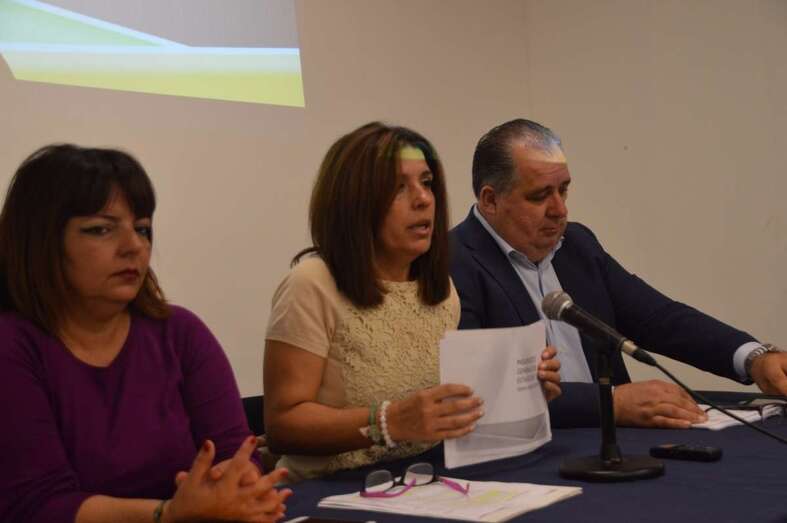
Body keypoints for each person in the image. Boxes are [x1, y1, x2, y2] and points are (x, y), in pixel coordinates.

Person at [0, 144, 290, 523]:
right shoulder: (13, 345)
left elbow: (235, 455)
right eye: (101, 229)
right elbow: (37, 506)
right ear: (41, 241)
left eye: (142, 229)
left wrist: (241, 490)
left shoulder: (181, 331)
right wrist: (168, 514)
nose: (134, 246)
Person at [263, 122, 562, 481]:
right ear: (354, 202)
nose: (422, 199)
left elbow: (448, 413)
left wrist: (525, 394)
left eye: (426, 183)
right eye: (398, 188)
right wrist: (389, 422)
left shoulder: (439, 289)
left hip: (424, 482)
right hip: (329, 492)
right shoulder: (311, 285)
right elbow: (283, 425)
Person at [450, 118, 787, 429]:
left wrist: (753, 358)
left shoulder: (577, 244)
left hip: (615, 446)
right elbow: (481, 391)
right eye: (540, 196)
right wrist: (610, 402)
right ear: (491, 200)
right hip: (529, 460)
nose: (560, 210)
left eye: (563, 190)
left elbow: (659, 318)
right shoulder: (451, 265)